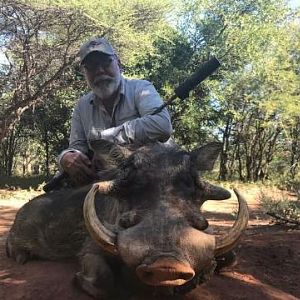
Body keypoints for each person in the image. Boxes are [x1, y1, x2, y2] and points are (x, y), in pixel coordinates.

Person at [57, 37, 172, 186]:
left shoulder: (141, 88)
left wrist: (106, 138)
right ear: (84, 73)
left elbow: (162, 125)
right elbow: (78, 148)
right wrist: (66, 158)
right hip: (107, 183)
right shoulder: (82, 106)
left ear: (118, 63)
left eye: (105, 62)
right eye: (91, 66)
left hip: (151, 178)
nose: (99, 70)